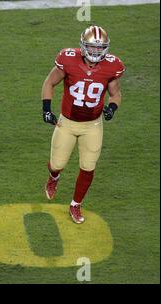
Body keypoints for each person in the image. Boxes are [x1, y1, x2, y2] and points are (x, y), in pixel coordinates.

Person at [41, 25, 125, 223]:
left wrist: (112, 108)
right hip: (67, 122)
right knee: (56, 164)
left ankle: (75, 204)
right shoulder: (68, 59)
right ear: (83, 46)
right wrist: (46, 109)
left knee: (88, 167)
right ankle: (54, 178)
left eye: (100, 48)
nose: (96, 51)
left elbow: (115, 94)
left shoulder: (112, 66)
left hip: (93, 125)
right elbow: (49, 82)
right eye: (92, 47)